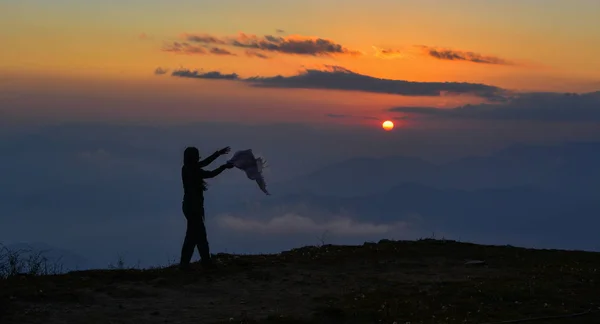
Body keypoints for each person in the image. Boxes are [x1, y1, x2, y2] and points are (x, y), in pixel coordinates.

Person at [179, 146, 234, 270]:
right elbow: (211, 174)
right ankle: (202, 263)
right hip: (194, 209)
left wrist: (218, 154)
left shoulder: (186, 168)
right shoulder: (194, 171)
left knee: (194, 237)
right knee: (198, 237)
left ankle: (190, 264)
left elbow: (204, 163)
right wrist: (224, 167)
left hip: (189, 207)